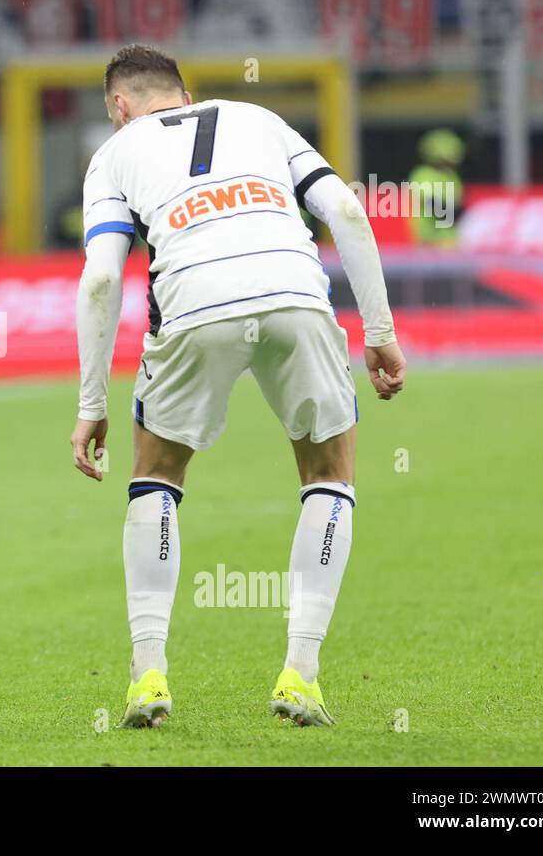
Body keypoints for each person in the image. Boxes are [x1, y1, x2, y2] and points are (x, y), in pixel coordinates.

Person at [71, 45, 406, 729]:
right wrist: (379, 329)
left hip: (195, 305)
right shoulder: (259, 118)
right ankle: (302, 676)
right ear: (184, 93)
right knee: (329, 476)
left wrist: (91, 405)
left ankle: (149, 676)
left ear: (119, 107)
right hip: (295, 292)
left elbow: (103, 279)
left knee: (158, 476)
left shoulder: (114, 155)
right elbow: (343, 208)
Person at [407, 128, 464, 246]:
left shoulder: (452, 176)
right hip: (429, 242)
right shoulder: (422, 174)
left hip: (451, 243)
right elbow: (433, 205)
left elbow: (457, 206)